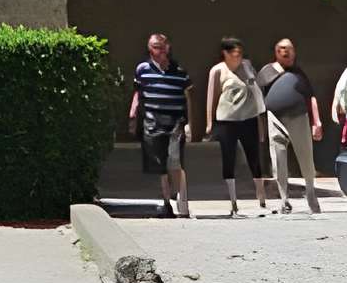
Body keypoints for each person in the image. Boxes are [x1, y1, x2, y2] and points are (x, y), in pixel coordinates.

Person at [128, 30, 191, 217]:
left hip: (175, 122)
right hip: (153, 121)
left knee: (175, 162)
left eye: (163, 47)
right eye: (156, 47)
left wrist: (190, 124)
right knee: (159, 164)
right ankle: (166, 204)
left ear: (168, 48)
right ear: (149, 49)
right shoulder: (142, 70)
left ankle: (181, 199)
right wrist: (132, 115)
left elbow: (188, 98)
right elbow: (138, 93)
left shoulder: (180, 71)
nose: (160, 51)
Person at [257, 36, 322, 213]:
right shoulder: (266, 72)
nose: (286, 52)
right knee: (278, 160)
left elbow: (311, 97)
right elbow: (258, 100)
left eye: (290, 49)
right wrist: (260, 126)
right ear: (276, 52)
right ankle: (284, 199)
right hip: (274, 119)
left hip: (299, 117)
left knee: (306, 158)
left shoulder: (299, 74)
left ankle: (311, 194)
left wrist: (316, 121)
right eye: (283, 49)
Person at [203, 36, 265, 216]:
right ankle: (233, 202)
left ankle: (261, 198)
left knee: (254, 157)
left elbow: (256, 94)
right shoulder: (218, 70)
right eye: (233, 52)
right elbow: (212, 97)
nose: (237, 56)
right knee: (229, 159)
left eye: (239, 52)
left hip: (249, 117)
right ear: (225, 53)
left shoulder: (247, 66)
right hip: (227, 120)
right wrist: (209, 123)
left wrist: (260, 121)